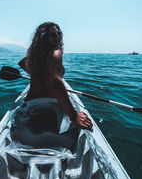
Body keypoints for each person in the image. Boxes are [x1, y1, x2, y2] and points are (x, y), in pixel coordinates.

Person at [11, 22, 92, 150]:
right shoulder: (56, 51)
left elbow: (22, 63)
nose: (57, 37)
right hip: (51, 107)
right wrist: (74, 116)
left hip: (31, 107)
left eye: (59, 34)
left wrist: (39, 75)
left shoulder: (36, 55)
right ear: (44, 37)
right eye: (53, 35)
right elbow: (55, 82)